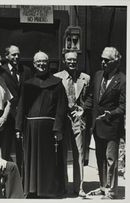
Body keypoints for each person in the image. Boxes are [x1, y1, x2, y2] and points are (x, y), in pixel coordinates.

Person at [16, 51, 68, 198]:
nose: (41, 64)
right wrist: (18, 127)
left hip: (49, 130)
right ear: (33, 64)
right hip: (31, 129)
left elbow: (61, 108)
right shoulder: (27, 84)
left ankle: (48, 190)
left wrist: (58, 129)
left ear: (49, 63)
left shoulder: (57, 83)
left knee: (48, 161)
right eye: (38, 62)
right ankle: (32, 190)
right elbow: (22, 106)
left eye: (44, 61)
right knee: (31, 160)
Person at [86, 47, 125, 199]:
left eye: (106, 60)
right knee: (100, 158)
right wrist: (84, 109)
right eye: (102, 59)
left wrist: (112, 114)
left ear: (116, 62)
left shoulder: (123, 80)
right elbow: (91, 97)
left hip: (111, 125)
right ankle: (103, 187)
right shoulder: (97, 75)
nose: (102, 62)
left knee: (111, 160)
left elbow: (124, 106)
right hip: (97, 126)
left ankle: (112, 191)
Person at [54, 51, 90, 197]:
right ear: (64, 60)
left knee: (79, 153)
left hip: (78, 120)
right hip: (63, 119)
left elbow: (89, 98)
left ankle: (79, 187)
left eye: (74, 59)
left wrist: (83, 109)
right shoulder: (58, 77)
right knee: (62, 153)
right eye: (69, 59)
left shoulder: (85, 77)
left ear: (78, 61)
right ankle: (63, 186)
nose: (72, 62)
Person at [0, 45, 32, 169]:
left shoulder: (27, 71)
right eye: (13, 54)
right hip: (7, 116)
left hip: (23, 116)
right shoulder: (1, 71)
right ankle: (6, 178)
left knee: (21, 149)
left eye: (18, 54)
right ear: (7, 56)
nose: (17, 57)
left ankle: (22, 179)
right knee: (6, 149)